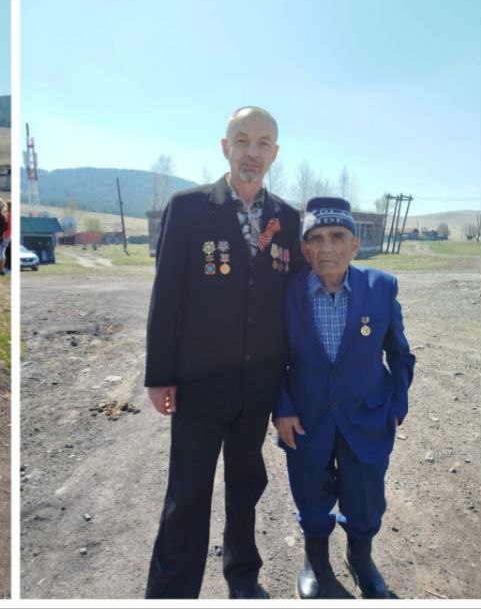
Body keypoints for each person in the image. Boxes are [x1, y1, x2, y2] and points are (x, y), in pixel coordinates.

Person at [144, 107, 303, 599]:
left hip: (256, 389)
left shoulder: (287, 219)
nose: (251, 152)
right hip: (198, 387)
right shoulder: (189, 208)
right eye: (242, 141)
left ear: (275, 153)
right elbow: (166, 294)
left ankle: (243, 577)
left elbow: (290, 309)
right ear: (225, 147)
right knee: (187, 496)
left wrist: (286, 394)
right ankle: (172, 591)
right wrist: (159, 374)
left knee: (245, 488)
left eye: (262, 143)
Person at [275, 197, 415, 599]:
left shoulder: (381, 288)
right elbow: (275, 359)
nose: (326, 247)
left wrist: (396, 406)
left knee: (365, 496)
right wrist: (283, 407)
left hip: (366, 417)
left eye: (338, 236)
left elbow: (400, 353)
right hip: (306, 418)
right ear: (304, 248)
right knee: (311, 494)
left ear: (355, 245)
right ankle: (316, 561)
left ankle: (361, 558)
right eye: (315, 238)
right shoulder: (287, 294)